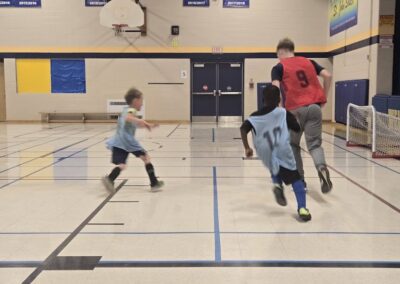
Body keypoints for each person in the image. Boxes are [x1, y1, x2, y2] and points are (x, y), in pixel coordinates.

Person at [240, 85, 311, 222]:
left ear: (262, 100)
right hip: (283, 150)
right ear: (279, 99)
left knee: (274, 166)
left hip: (265, 151)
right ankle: (302, 208)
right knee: (296, 179)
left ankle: (277, 185)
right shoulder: (283, 113)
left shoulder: (254, 116)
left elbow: (243, 129)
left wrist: (247, 148)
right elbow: (296, 128)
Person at [271, 38, 333, 193]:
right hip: (315, 107)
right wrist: (323, 97)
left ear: (281, 52)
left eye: (279, 55)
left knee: (293, 145)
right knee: (314, 144)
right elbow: (328, 75)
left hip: (295, 110)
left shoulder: (279, 67)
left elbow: (275, 88)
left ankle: (301, 182)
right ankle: (321, 168)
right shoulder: (309, 62)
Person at [102, 87, 164, 193]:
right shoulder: (132, 110)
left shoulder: (125, 110)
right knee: (146, 158)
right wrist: (141, 120)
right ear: (135, 101)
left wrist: (147, 125)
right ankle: (154, 183)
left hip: (118, 141)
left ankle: (110, 179)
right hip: (127, 141)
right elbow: (129, 118)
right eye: (141, 101)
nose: (142, 104)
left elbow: (133, 123)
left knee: (122, 165)